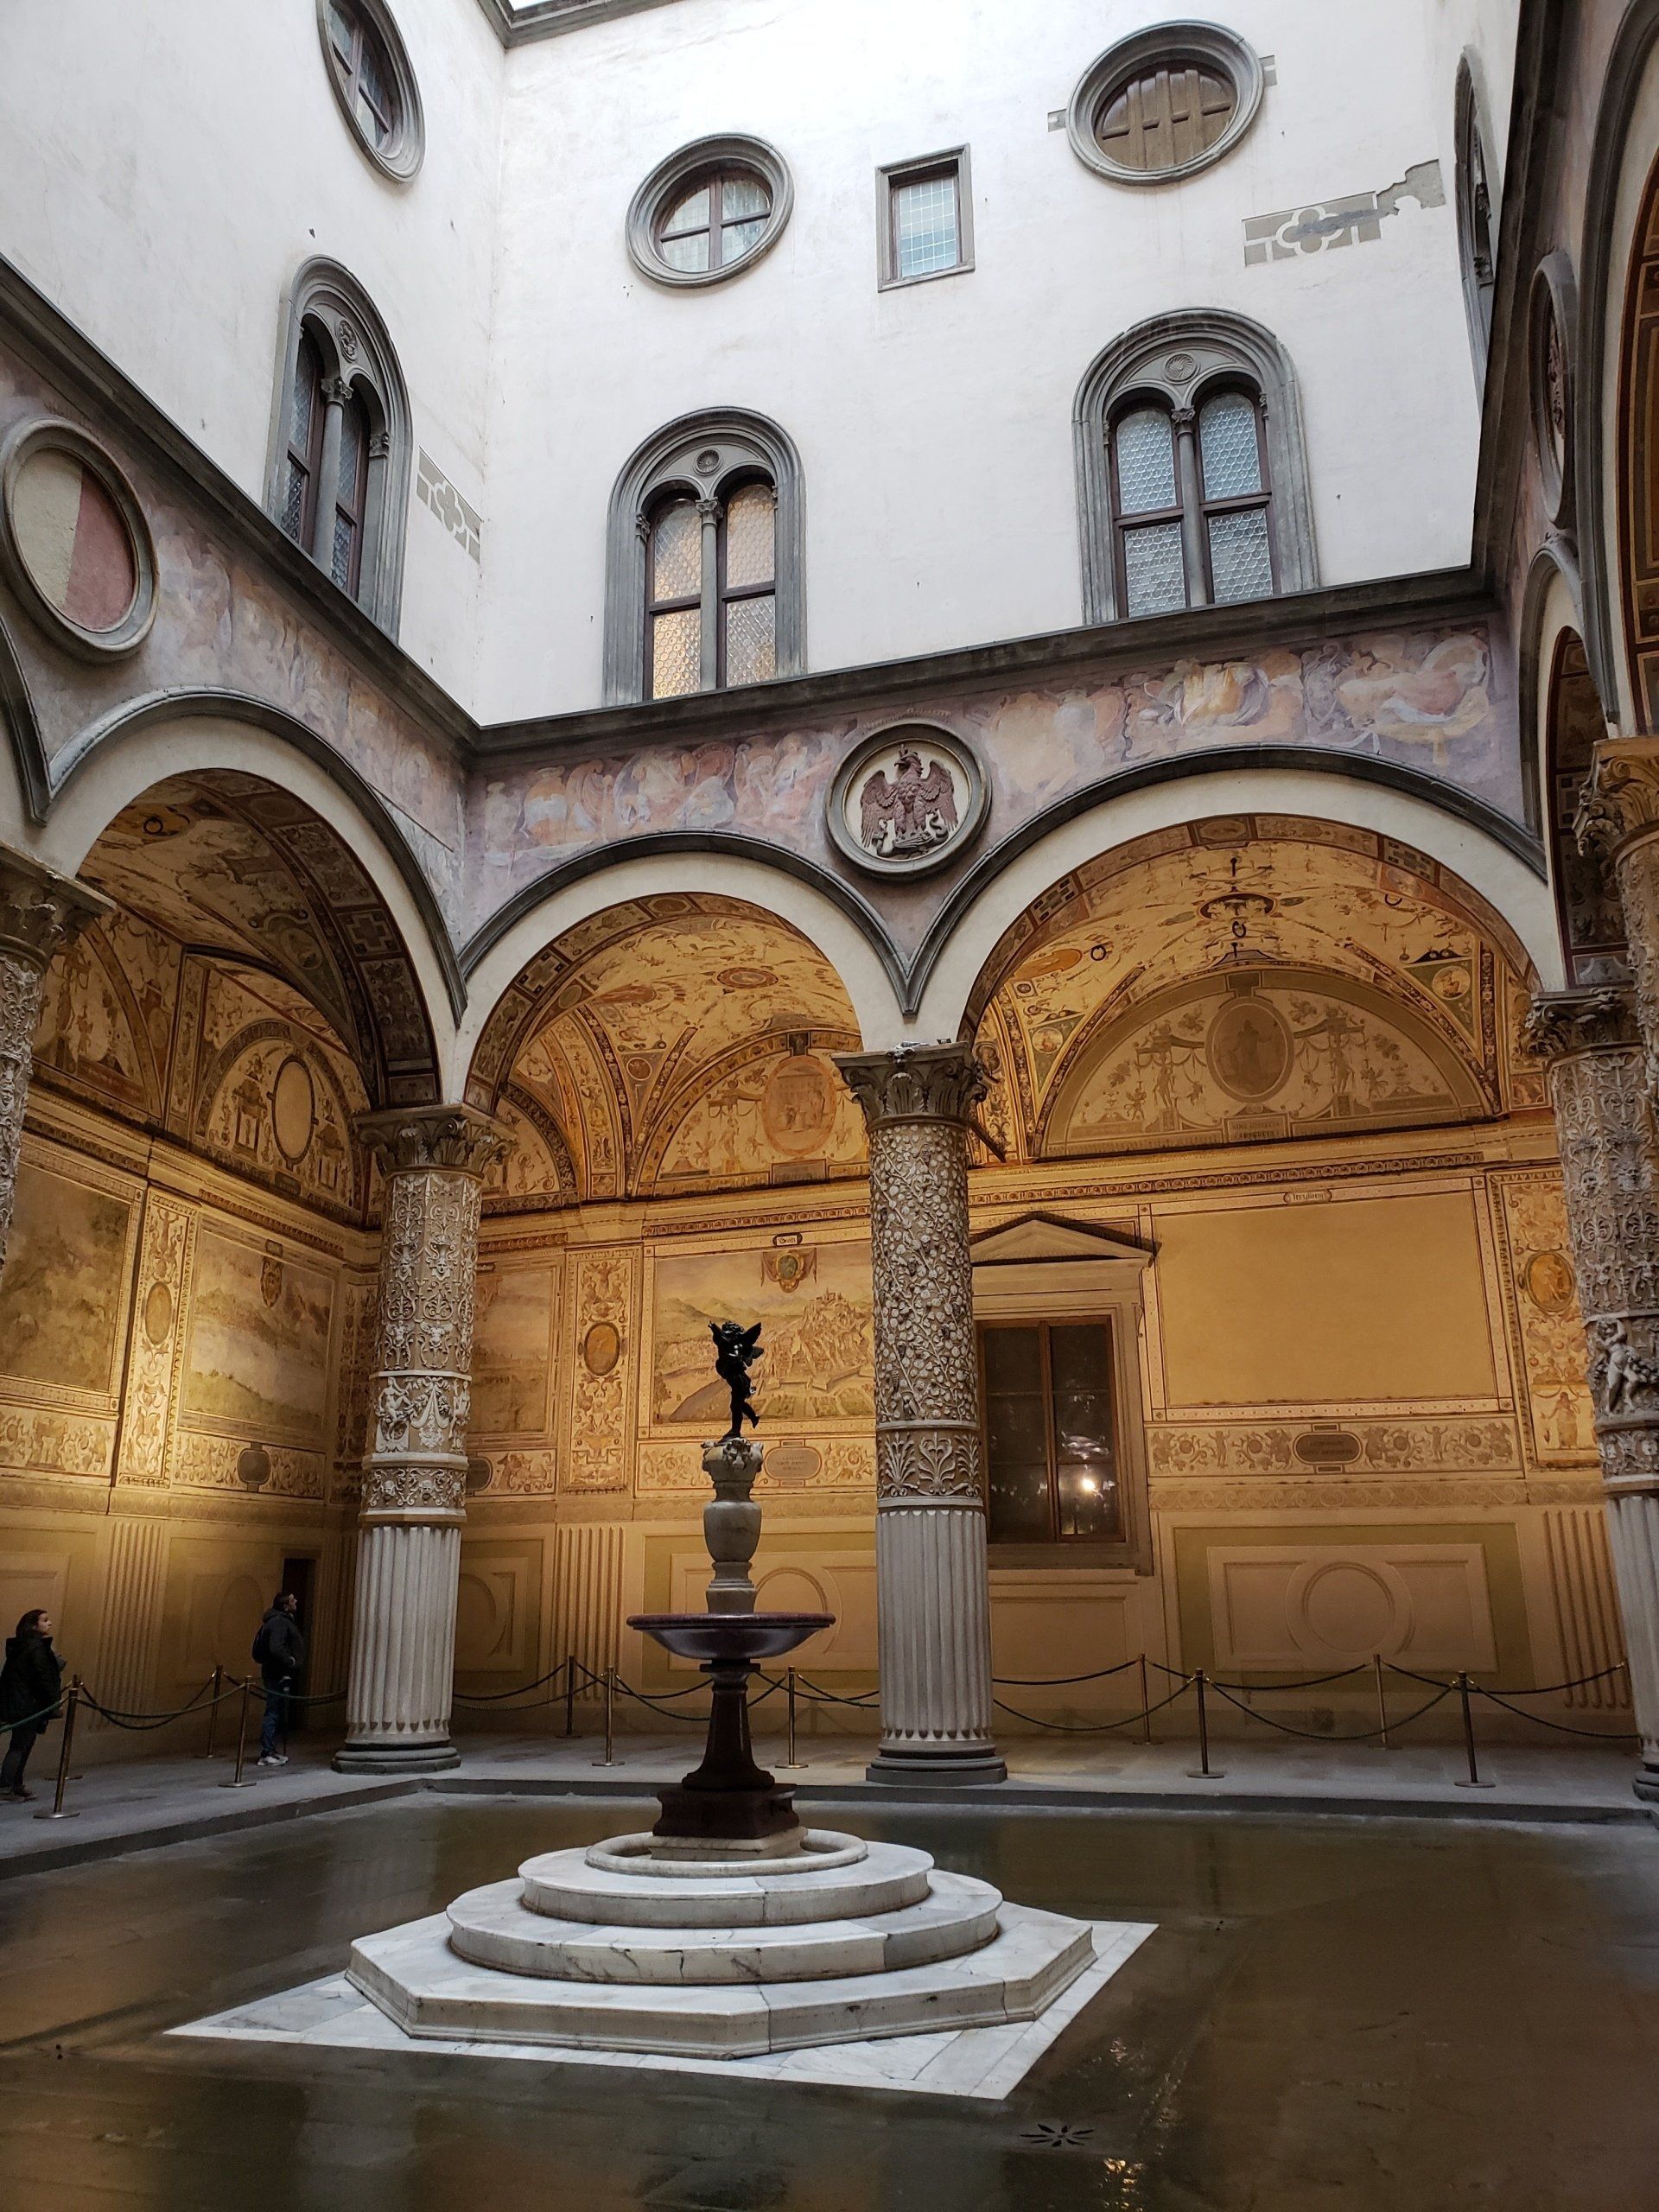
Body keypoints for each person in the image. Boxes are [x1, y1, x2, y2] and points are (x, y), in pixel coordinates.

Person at [0, 1608, 65, 1802]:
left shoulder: (23, 1646)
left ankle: (15, 1784)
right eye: (44, 1620)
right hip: (27, 1704)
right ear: (34, 1625)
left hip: (22, 1702)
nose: (49, 1623)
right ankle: (5, 1787)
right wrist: (54, 1701)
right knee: (20, 1745)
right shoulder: (36, 1648)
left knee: (24, 1744)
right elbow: (43, 1677)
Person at [252, 1591, 305, 1770]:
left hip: (275, 1671)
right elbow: (276, 1648)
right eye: (292, 1600)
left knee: (276, 1710)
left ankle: (271, 1750)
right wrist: (289, 1660)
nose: (296, 1601)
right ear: (285, 1606)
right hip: (276, 1673)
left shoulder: (277, 1621)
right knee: (273, 1711)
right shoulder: (280, 1622)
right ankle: (266, 1753)